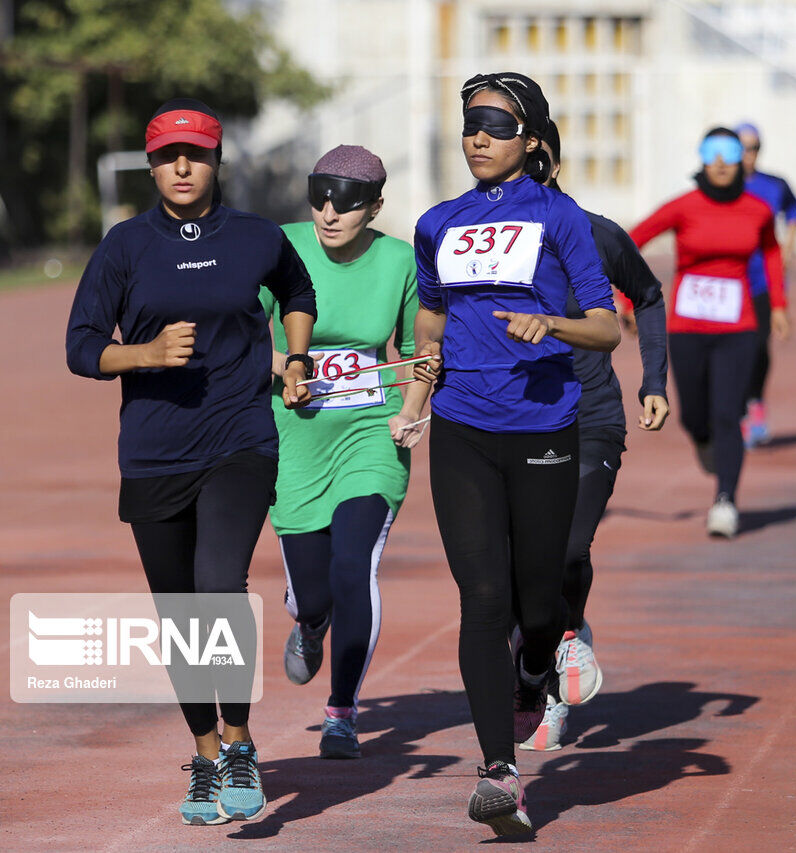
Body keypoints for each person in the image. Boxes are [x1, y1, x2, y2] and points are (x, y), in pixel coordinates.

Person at [66, 98, 317, 825]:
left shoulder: (255, 236)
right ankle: (206, 753)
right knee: (179, 614)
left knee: (217, 585)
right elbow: (81, 345)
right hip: (152, 451)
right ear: (150, 165)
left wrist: (295, 356)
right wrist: (142, 354)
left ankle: (239, 740)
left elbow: (296, 290)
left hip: (240, 439)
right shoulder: (124, 246)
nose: (182, 166)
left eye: (196, 154)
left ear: (216, 162)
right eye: (168, 155)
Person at [411, 72, 620, 836]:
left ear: (531, 137)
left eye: (497, 124)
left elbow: (606, 326)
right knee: (482, 597)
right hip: (462, 427)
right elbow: (430, 322)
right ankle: (500, 772)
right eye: (471, 122)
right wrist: (417, 388)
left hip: (542, 425)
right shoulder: (437, 222)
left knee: (538, 602)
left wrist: (552, 328)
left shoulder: (559, 217)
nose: (479, 136)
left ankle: (540, 662)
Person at [261, 145, 430, 760]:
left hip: (371, 429)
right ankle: (310, 622)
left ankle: (342, 712)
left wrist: (412, 410)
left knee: (353, 562)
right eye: (320, 197)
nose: (330, 213)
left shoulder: (401, 261)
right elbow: (238, 335)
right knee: (315, 590)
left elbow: (418, 351)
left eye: (349, 202)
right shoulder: (278, 246)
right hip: (295, 434)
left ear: (376, 205)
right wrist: (286, 367)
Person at [519, 118, 669, 751]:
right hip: (511, 418)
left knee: (563, 548)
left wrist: (653, 379)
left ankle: (560, 664)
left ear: (553, 162)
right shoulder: (474, 236)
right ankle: (542, 656)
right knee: (513, 570)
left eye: (536, 160)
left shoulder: (594, 233)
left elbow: (649, 295)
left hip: (589, 419)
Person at [630, 127, 791, 538]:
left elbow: (771, 252)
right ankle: (703, 441)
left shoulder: (757, 209)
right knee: (695, 417)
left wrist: (778, 305)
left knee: (727, 413)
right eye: (712, 153)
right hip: (687, 329)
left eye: (730, 153)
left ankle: (725, 501)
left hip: (738, 328)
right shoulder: (684, 206)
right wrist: (625, 300)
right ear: (702, 159)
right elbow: (630, 243)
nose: (720, 162)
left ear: (742, 160)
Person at [736, 121, 796, 447]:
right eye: (743, 148)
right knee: (733, 349)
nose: (749, 154)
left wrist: (789, 246)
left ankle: (754, 405)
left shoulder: (774, 185)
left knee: (759, 345)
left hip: (762, 280)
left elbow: (794, 209)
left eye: (754, 148)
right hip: (730, 282)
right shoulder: (721, 186)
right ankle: (734, 408)